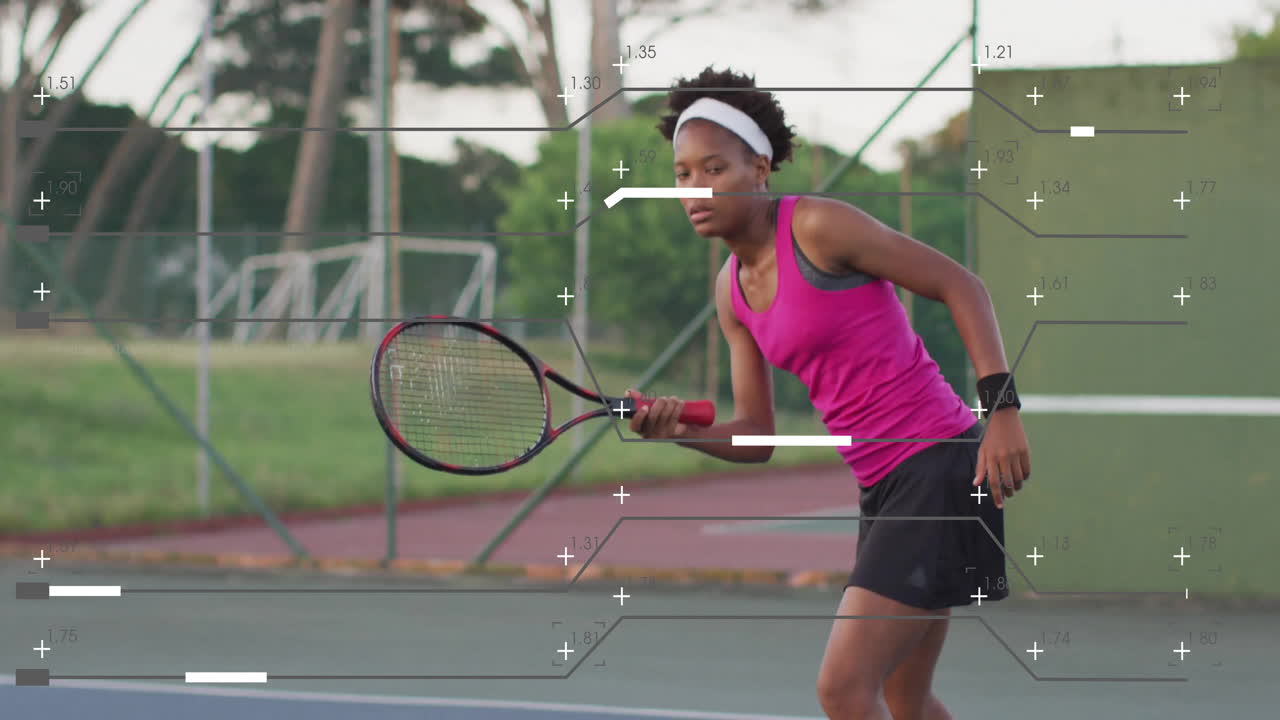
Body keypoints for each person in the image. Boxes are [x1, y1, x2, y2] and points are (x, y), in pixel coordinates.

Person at [625, 66, 1033, 720]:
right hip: (884, 485)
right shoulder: (730, 293)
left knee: (843, 691)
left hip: (938, 464)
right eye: (681, 174)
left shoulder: (818, 226)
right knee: (905, 695)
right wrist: (678, 430)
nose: (695, 188)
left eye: (714, 168)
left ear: (759, 167)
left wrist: (1002, 410)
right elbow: (756, 437)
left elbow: (962, 286)